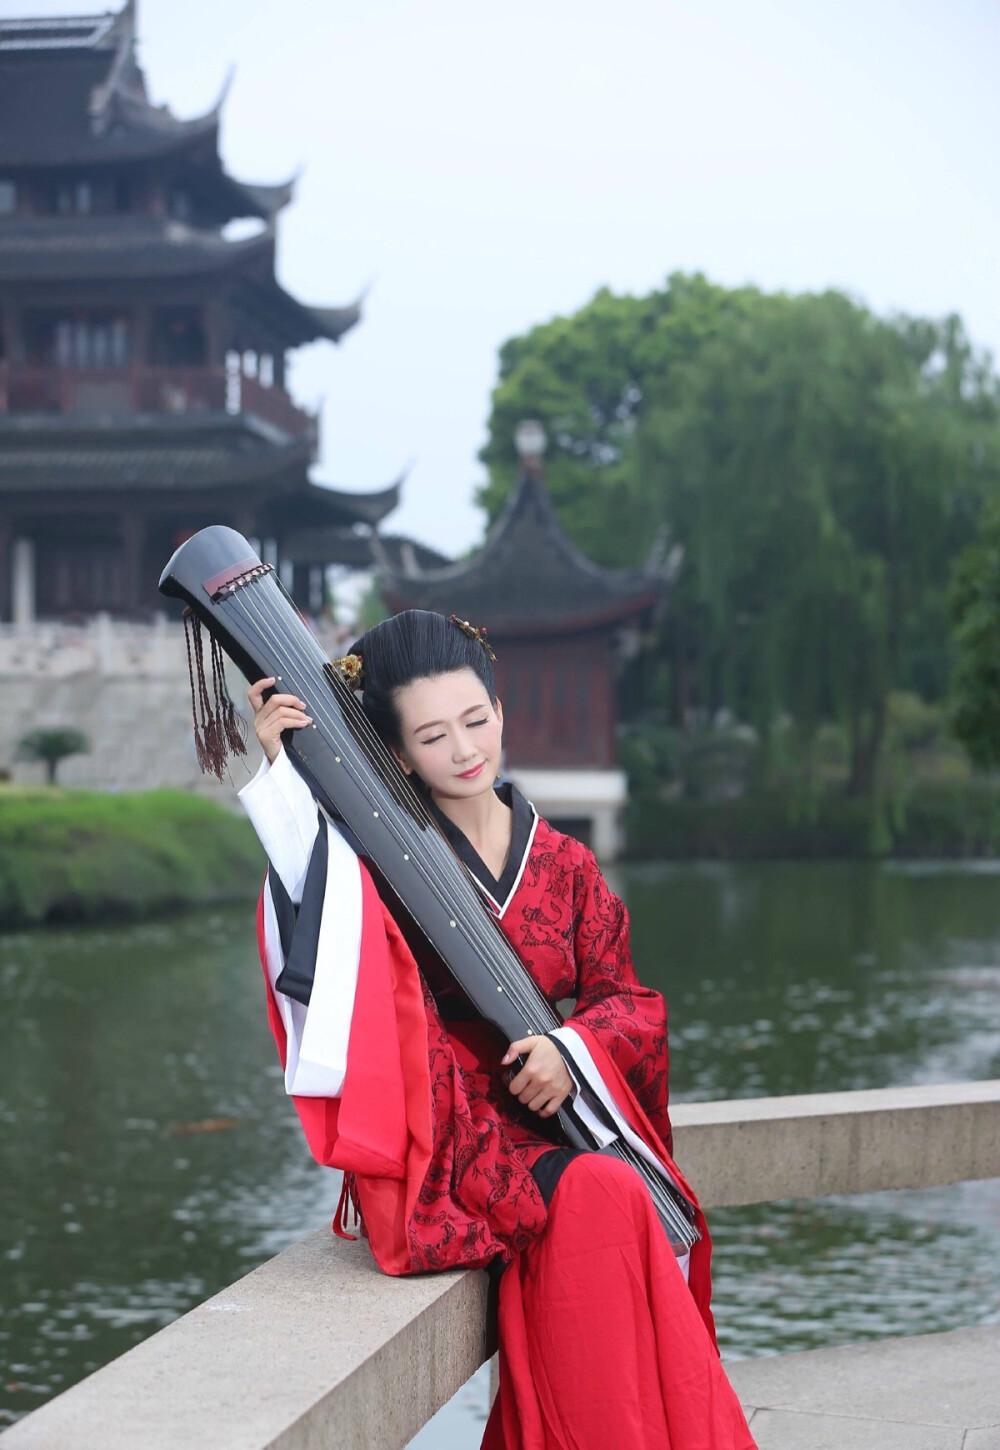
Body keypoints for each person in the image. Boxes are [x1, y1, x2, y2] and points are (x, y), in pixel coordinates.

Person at [236, 609, 757, 1450]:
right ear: (399, 754)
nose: (466, 749)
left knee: (606, 1192)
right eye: (434, 735)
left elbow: (629, 1003)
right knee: (605, 1193)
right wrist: (286, 777)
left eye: (477, 720)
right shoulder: (390, 863)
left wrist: (570, 1051)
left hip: (558, 1109)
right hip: (450, 1132)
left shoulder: (566, 865)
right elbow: (336, 960)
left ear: (501, 713)